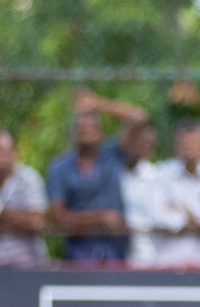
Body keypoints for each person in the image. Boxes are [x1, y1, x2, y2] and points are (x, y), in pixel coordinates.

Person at [47, 92, 147, 263]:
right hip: (78, 255)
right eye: (81, 129)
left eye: (91, 128)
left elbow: (139, 117)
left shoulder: (114, 155)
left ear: (101, 132)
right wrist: (100, 217)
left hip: (117, 253)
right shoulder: (60, 167)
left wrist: (97, 103)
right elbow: (57, 218)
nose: (86, 133)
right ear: (73, 133)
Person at [150, 120, 200, 267]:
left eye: (194, 143)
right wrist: (192, 222)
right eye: (185, 143)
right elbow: (156, 216)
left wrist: (183, 212)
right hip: (168, 262)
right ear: (176, 147)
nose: (190, 148)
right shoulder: (161, 173)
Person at [117, 122, 164, 267]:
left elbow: (159, 217)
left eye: (145, 144)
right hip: (112, 252)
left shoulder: (156, 176)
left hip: (146, 256)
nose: (138, 147)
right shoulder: (110, 171)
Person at [0, 130, 49, 268]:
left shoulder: (29, 178)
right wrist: (19, 218)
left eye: (4, 152)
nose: (0, 159)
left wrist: (2, 213)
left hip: (28, 266)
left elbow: (36, 222)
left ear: (14, 152)